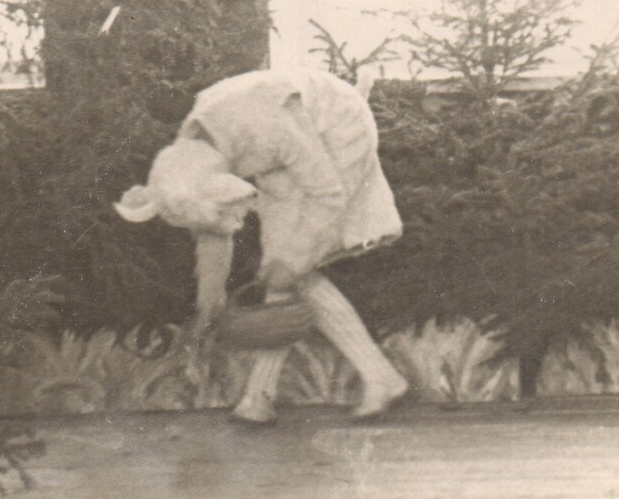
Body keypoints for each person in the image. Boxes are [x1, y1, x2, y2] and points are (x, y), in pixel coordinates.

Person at [114, 67, 408, 423]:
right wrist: (210, 303)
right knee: (282, 269)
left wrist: (297, 257)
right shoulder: (188, 158)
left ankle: (360, 381)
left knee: (289, 265)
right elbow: (212, 228)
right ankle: (266, 397)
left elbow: (327, 194)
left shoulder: (267, 125)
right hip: (280, 148)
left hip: (336, 128)